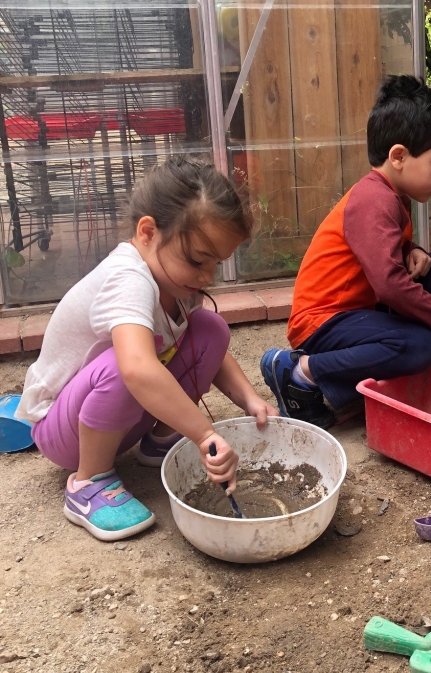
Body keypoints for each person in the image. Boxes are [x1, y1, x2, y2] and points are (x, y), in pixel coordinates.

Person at [17, 155, 277, 542]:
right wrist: (205, 434)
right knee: (126, 365)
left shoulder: (178, 282)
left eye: (216, 265)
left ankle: (159, 442)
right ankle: (87, 483)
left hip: (118, 415)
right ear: (147, 232)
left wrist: (250, 399)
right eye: (196, 261)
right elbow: (137, 369)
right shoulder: (128, 278)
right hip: (64, 430)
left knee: (209, 328)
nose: (207, 277)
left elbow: (211, 354)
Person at [261, 75, 431, 427]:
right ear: (399, 156)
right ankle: (300, 371)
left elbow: (381, 247)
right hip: (322, 321)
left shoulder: (391, 196)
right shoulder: (374, 199)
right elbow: (389, 285)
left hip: (356, 313)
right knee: (422, 346)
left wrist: (412, 248)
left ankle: (371, 373)